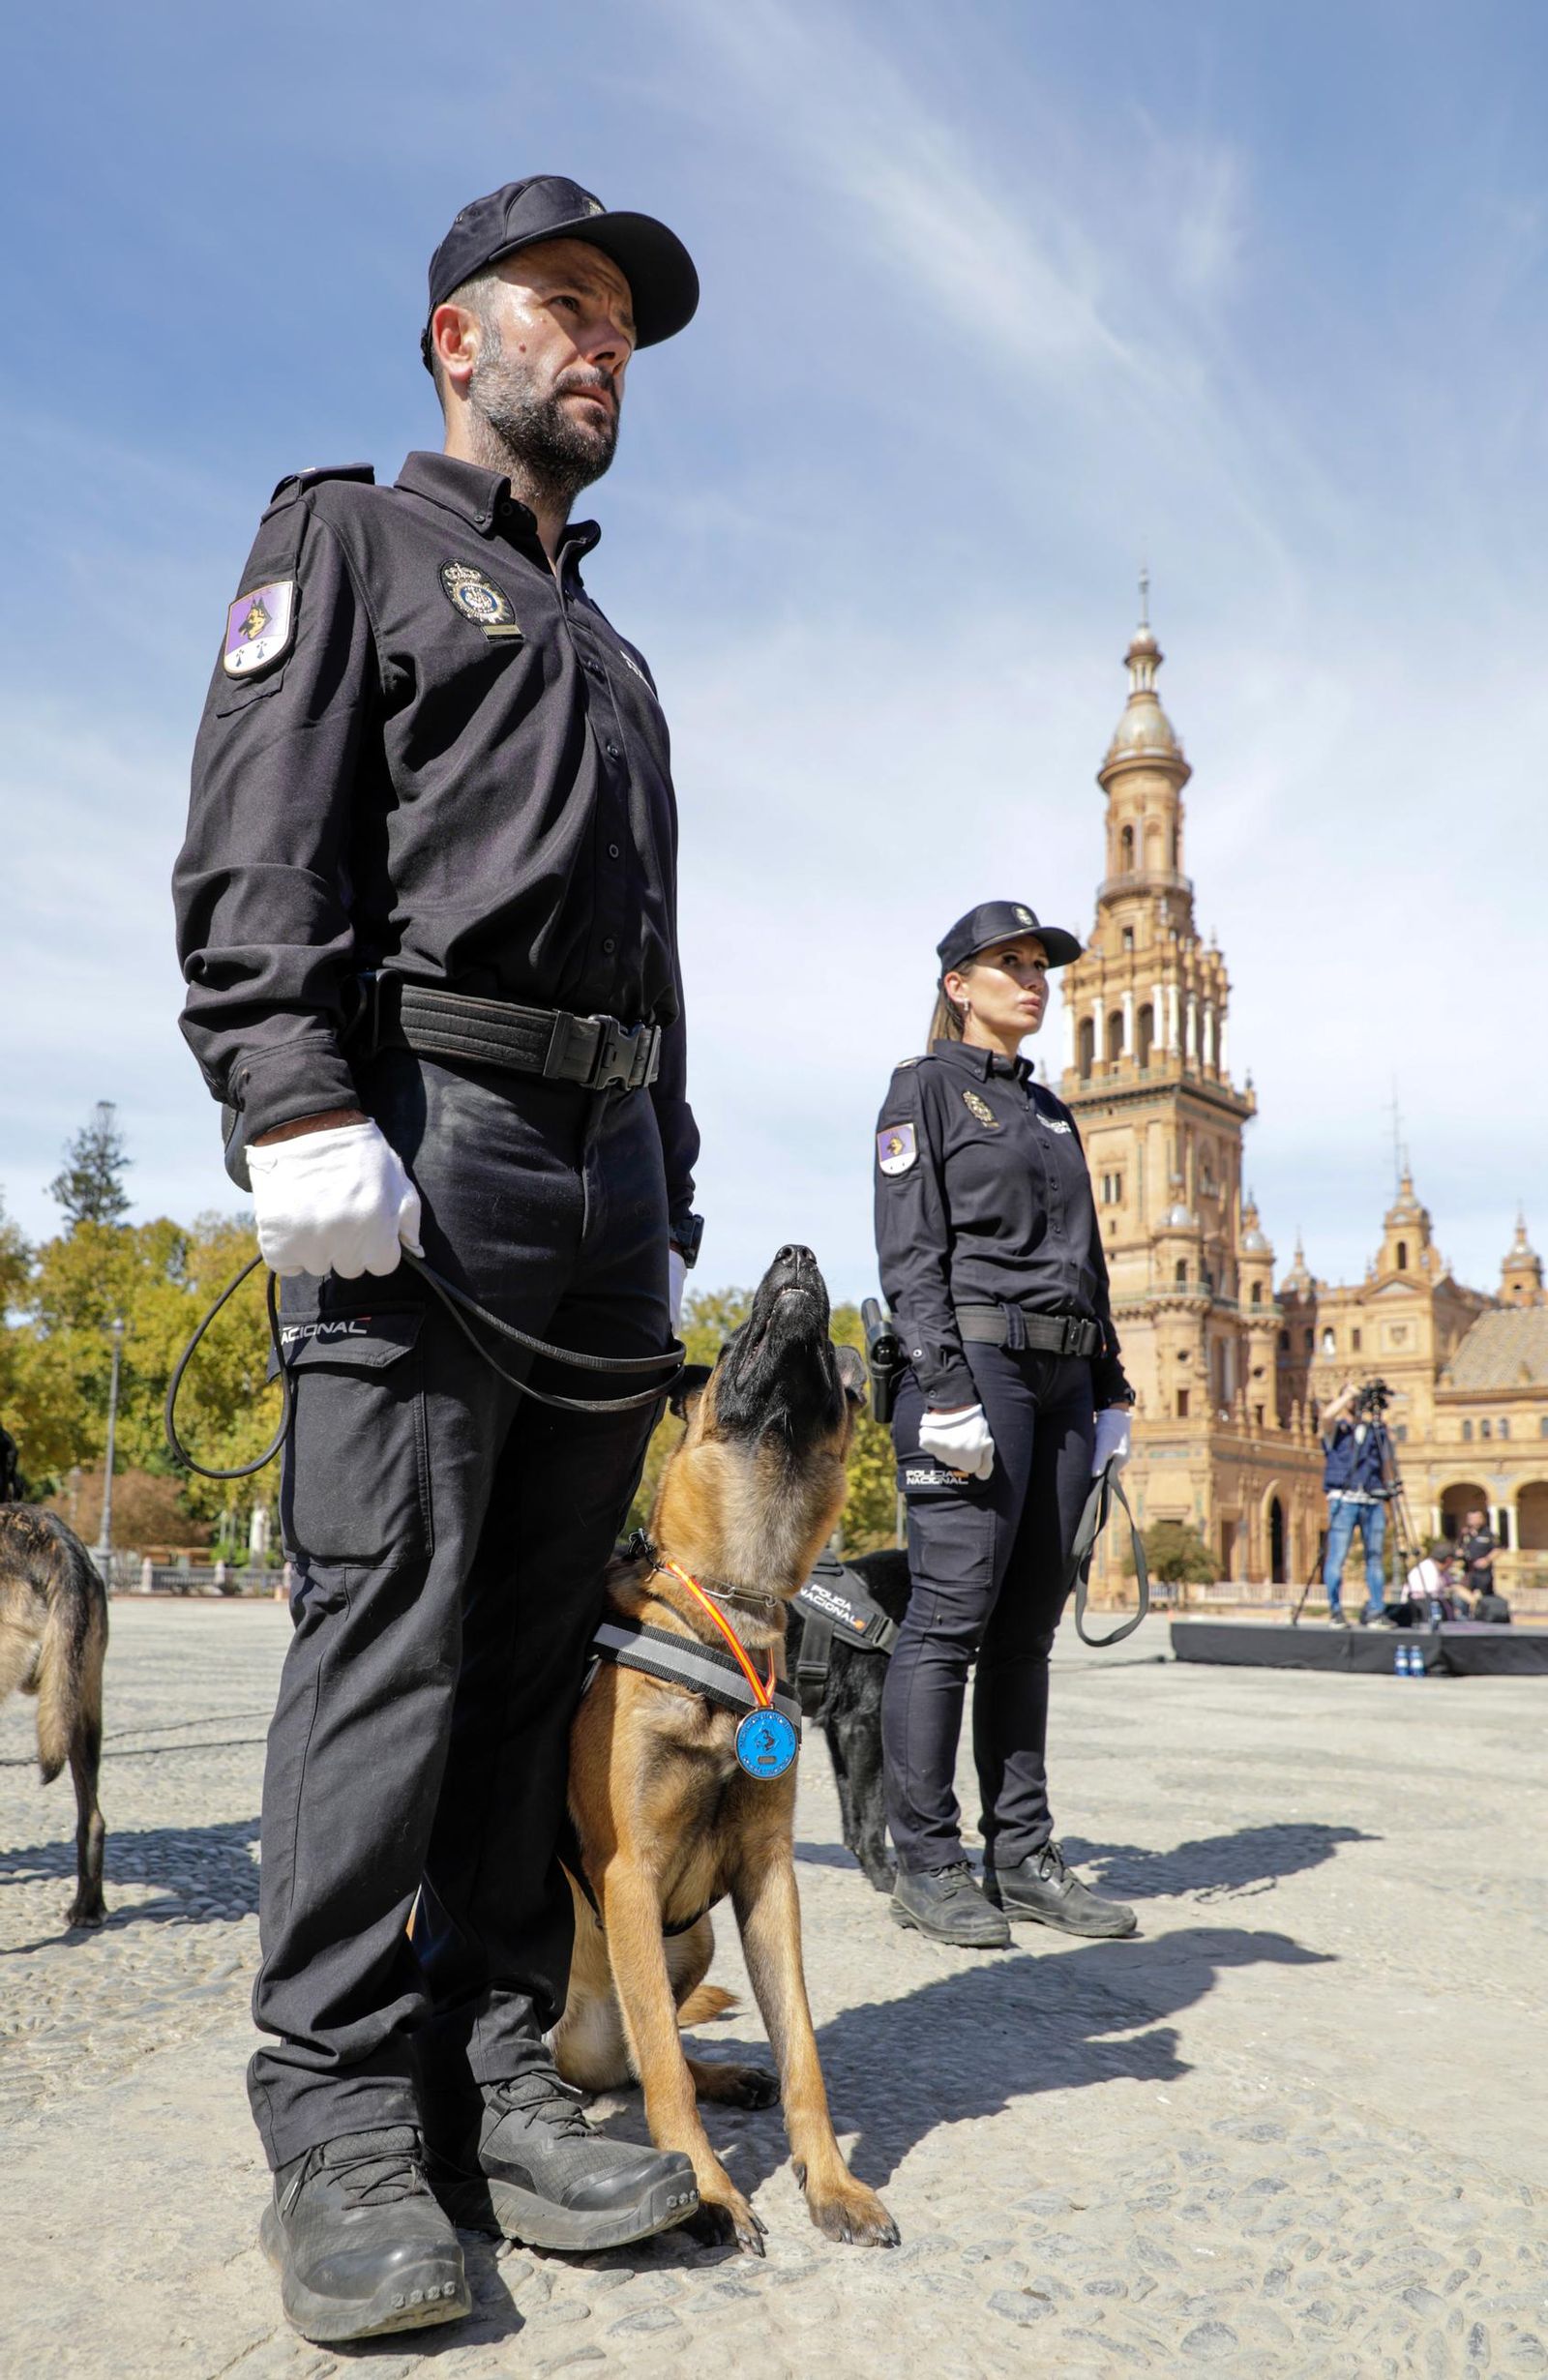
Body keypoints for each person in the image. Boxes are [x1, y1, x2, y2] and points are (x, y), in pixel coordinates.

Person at [173, 176, 706, 2344]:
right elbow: (256, 839)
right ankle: (332, 2110)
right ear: (451, 342)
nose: (601, 348)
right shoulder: (354, 544)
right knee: (385, 1632)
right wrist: (289, 1098)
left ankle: (483, 2066)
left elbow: (653, 946)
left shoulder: (610, 645)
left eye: (621, 332)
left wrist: (661, 1185)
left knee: (524, 1654)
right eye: (564, 309)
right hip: (424, 1135)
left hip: (597, 1180)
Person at [873, 901, 1139, 1950]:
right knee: (947, 1616)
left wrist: (1111, 1387)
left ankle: (1020, 1856)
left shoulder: (1052, 1112)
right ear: (958, 984)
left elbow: (1089, 1256)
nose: (1034, 980)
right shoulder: (922, 1092)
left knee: (1026, 1628)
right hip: (975, 1364)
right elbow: (908, 1250)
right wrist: (942, 1387)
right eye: (1009, 964)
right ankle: (926, 1861)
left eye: (1040, 966)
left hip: (1066, 1380)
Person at [1319, 1382, 1393, 1627]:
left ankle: (1376, 1610)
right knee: (1337, 1557)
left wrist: (1389, 1500)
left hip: (1372, 1499)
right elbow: (1327, 1415)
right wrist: (1347, 1394)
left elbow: (1386, 1464)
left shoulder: (1377, 1431)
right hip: (1344, 1499)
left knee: (1375, 1558)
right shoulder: (1336, 1431)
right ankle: (1335, 1610)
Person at [1456, 1508, 1498, 1604]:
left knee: (1484, 1597)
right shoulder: (1465, 1534)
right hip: (1468, 1570)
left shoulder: (1488, 1534)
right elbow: (1459, 1547)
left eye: (1476, 1518)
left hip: (1483, 1573)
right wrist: (1459, 1553)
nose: (1473, 1520)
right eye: (1471, 1518)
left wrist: (1487, 1560)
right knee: (1466, 1596)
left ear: (1482, 1519)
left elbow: (1497, 1549)